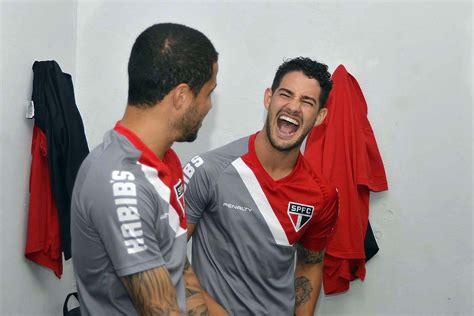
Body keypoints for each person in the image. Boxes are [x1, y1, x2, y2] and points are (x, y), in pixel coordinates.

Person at [71, 23, 218, 315]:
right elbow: (161, 310)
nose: (209, 106)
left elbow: (178, 261)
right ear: (181, 96)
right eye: (208, 92)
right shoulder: (120, 185)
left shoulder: (164, 161)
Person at [183, 57, 339, 315]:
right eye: (286, 94)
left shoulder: (322, 194)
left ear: (320, 116)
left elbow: (311, 264)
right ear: (269, 98)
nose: (294, 107)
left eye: (307, 101)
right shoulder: (210, 169)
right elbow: (167, 254)